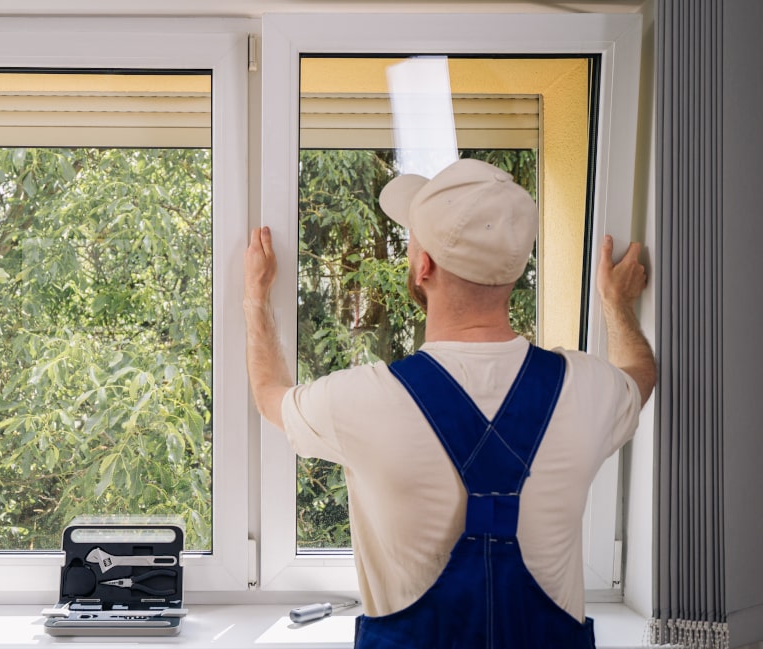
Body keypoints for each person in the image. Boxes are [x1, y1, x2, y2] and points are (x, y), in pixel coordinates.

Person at [243, 158, 656, 648]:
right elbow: (641, 375)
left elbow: (269, 396)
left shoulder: (361, 400)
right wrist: (616, 305)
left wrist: (256, 296)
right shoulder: (589, 389)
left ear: (424, 266)